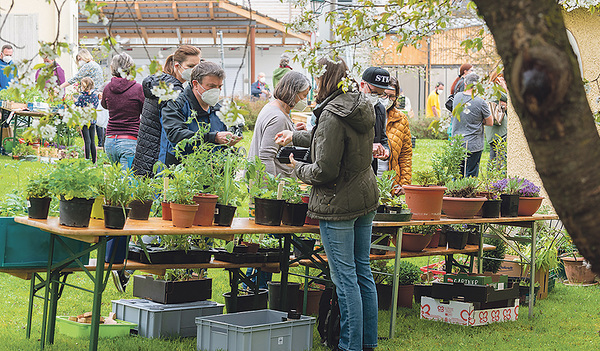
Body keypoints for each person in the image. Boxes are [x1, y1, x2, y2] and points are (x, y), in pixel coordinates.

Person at [275, 57, 379, 351]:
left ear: (325, 80)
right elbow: (330, 139)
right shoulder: (359, 105)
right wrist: (295, 135)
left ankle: (349, 346)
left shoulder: (332, 114)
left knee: (345, 278)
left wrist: (297, 169)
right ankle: (367, 343)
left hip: (338, 203)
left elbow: (324, 170)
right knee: (362, 273)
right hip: (364, 196)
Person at [245, 71, 310, 289]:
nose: (303, 101)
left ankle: (254, 288)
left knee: (263, 244)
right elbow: (266, 156)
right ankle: (255, 290)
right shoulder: (278, 117)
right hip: (270, 192)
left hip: (267, 188)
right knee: (266, 246)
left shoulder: (276, 110)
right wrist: (272, 194)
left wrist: (294, 130)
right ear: (292, 92)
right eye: (302, 95)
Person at [131, 45, 201, 177]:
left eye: (197, 66)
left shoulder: (161, 83)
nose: (195, 71)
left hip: (146, 153)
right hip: (159, 157)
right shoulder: (174, 91)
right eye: (191, 66)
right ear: (177, 66)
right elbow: (171, 130)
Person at [159, 61, 241, 167]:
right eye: (211, 86)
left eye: (219, 86)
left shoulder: (218, 110)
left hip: (212, 176)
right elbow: (176, 136)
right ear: (195, 84)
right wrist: (213, 138)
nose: (216, 91)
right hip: (181, 175)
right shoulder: (175, 105)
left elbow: (223, 146)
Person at [101, 53, 145, 168]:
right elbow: (144, 111)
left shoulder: (107, 88)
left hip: (110, 139)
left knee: (116, 178)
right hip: (129, 139)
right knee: (128, 180)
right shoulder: (138, 89)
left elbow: (105, 105)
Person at [61, 49, 106, 148]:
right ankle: (101, 144)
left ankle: (96, 144)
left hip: (93, 93)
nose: (79, 61)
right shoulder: (95, 65)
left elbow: (74, 79)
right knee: (98, 118)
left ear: (85, 56)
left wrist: (60, 87)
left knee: (95, 119)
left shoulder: (88, 65)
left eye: (80, 58)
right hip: (98, 93)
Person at [452, 72, 493, 178]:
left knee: (457, 174)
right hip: (474, 144)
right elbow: (490, 122)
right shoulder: (480, 102)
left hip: (457, 142)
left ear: (465, 84)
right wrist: (480, 121)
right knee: (471, 175)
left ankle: (455, 194)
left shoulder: (457, 97)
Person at [359, 66, 391, 174]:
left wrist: (386, 151)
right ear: (362, 85)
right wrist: (368, 147)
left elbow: (382, 138)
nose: (376, 97)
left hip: (371, 170)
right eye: (373, 92)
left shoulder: (379, 108)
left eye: (381, 94)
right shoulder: (349, 107)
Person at [384, 77, 412, 194]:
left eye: (392, 96)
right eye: (384, 95)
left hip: (391, 182)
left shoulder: (401, 119)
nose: (387, 100)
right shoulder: (366, 115)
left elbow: (406, 154)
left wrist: (405, 182)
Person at [485, 71, 508, 170]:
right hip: (500, 130)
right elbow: (511, 98)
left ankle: (491, 180)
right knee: (501, 157)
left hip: (492, 129)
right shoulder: (495, 91)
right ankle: (498, 180)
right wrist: (504, 86)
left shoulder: (488, 90)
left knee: (493, 156)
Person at [74, 77, 99, 163]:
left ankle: (87, 159)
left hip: (84, 121)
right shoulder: (95, 96)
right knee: (92, 141)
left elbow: (78, 106)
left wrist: (75, 101)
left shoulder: (81, 97)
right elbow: (95, 106)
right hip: (92, 121)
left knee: (87, 141)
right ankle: (94, 161)